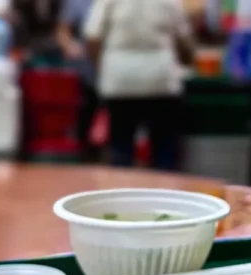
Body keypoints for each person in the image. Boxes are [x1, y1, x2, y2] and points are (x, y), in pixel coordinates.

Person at [83, 0, 195, 170]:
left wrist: (103, 68)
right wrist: (186, 60)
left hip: (120, 80)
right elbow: (184, 41)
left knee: (121, 148)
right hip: (161, 81)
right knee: (164, 151)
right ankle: (165, 192)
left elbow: (92, 37)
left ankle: (120, 192)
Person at [56, 0, 98, 159]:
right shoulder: (77, 3)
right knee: (85, 108)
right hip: (84, 66)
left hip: (111, 65)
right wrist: (70, 46)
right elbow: (62, 31)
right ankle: (82, 150)